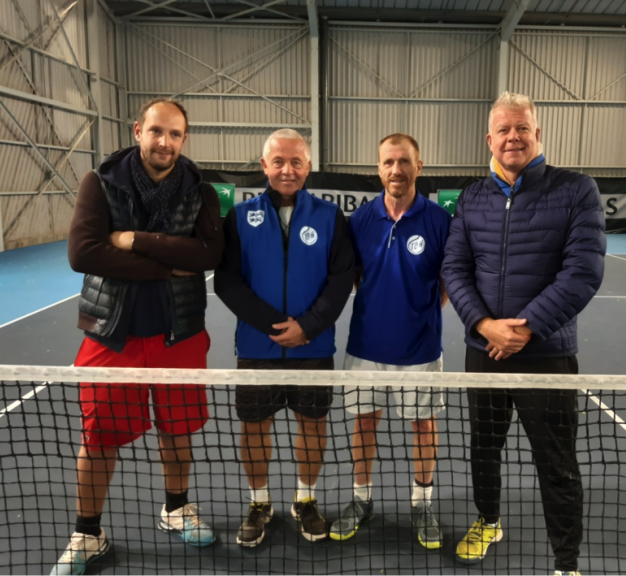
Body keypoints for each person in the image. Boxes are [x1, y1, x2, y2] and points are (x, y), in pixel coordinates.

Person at [52, 98, 224, 576]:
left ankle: (176, 510)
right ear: (137, 131)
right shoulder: (100, 182)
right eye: (156, 132)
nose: (164, 142)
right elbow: (83, 253)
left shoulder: (201, 190)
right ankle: (88, 533)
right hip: (112, 335)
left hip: (180, 333)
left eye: (174, 134)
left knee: (178, 429)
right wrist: (168, 264)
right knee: (100, 437)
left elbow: (209, 254)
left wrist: (133, 240)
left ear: (183, 139)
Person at [442, 92, 605, 575]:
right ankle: (488, 520)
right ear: (489, 139)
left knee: (556, 462)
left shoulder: (577, 190)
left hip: (548, 356)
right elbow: (455, 267)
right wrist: (483, 324)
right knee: (483, 447)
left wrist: (526, 328)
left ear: (538, 134)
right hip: (483, 352)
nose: (513, 136)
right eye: (504, 130)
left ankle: (566, 562)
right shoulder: (472, 197)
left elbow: (583, 273)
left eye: (522, 128)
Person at [214, 129, 353, 546]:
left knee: (313, 425)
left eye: (296, 162)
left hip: (314, 348)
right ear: (264, 166)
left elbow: (342, 279)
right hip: (257, 348)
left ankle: (305, 499)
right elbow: (227, 281)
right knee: (254, 428)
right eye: (278, 162)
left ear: (308, 166)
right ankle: (259, 503)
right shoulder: (239, 217)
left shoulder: (331, 217)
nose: (287, 170)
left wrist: (308, 326)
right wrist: (275, 325)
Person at [329, 134, 451, 550]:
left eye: (404, 162)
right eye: (387, 162)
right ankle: (362, 500)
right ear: (378, 168)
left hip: (420, 349)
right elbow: (356, 276)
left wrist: (420, 314)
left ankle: (422, 504)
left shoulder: (439, 221)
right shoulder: (360, 221)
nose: (395, 170)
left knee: (423, 425)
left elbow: (449, 282)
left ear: (419, 166)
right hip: (365, 347)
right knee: (364, 423)